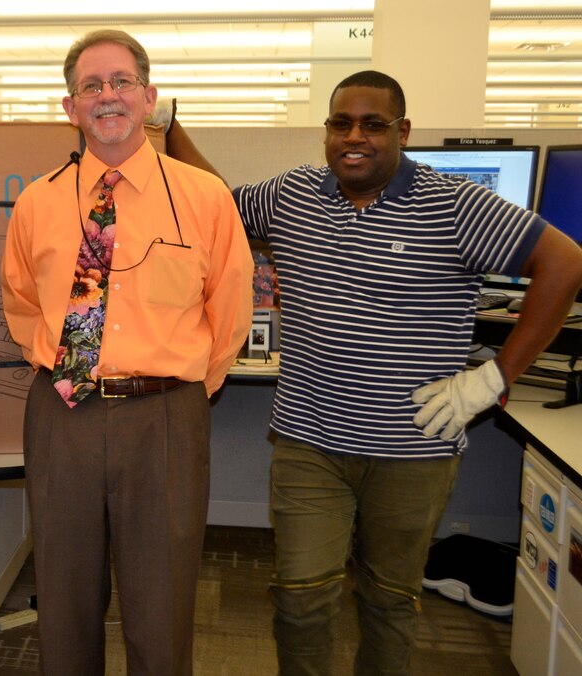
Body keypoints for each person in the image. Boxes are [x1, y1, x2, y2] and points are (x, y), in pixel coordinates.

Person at [231, 70, 582, 675]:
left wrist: (496, 376)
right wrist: (171, 132)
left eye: (373, 123)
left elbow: (565, 262)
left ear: (403, 131)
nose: (355, 136)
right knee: (300, 600)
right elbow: (208, 206)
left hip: (413, 451)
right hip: (308, 442)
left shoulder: (455, 203)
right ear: (326, 132)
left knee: (390, 601)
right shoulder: (293, 194)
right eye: (341, 123)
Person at [0, 29, 254, 675]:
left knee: (161, 602)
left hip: (164, 415)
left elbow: (229, 310)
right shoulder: (37, 201)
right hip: (62, 413)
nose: (107, 96)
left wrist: (189, 387)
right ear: (70, 107)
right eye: (92, 86)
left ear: (150, 98)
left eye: (121, 83)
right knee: (64, 596)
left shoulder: (203, 197)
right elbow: (22, 302)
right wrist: (69, 370)